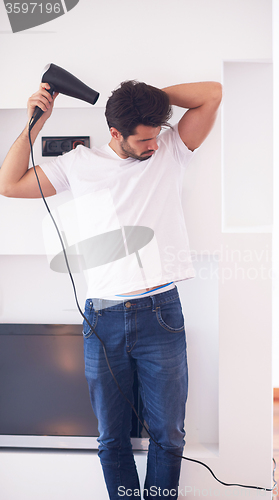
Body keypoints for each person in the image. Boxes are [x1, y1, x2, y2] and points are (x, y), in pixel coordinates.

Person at [0, 78, 222, 499]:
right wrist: (36, 123)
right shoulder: (78, 164)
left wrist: (150, 100)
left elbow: (212, 93)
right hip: (103, 321)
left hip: (161, 313)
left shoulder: (170, 149)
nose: (153, 145)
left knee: (169, 435)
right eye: (143, 139)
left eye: (156, 135)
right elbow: (8, 184)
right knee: (111, 438)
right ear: (115, 133)